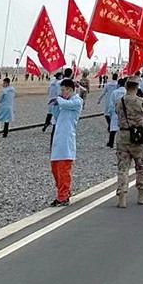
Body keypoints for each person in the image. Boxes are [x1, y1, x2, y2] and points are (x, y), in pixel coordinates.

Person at [115, 76, 143, 206]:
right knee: (141, 166)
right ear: (137, 87)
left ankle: (122, 198)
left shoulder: (119, 101)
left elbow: (117, 113)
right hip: (138, 137)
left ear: (126, 87)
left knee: (123, 168)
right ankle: (142, 196)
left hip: (123, 137)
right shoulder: (141, 101)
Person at [49, 77, 83, 207]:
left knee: (64, 170)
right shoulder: (64, 102)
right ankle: (63, 192)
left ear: (70, 89)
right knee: (55, 169)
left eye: (63, 90)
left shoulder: (76, 101)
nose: (61, 93)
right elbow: (57, 115)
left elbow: (65, 104)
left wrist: (58, 99)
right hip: (58, 139)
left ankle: (63, 196)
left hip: (67, 141)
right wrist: (55, 106)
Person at [106, 77, 126, 148]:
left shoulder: (115, 92)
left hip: (115, 111)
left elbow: (111, 103)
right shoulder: (126, 92)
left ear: (119, 84)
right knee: (123, 128)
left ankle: (111, 143)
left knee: (113, 128)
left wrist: (109, 112)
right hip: (124, 112)